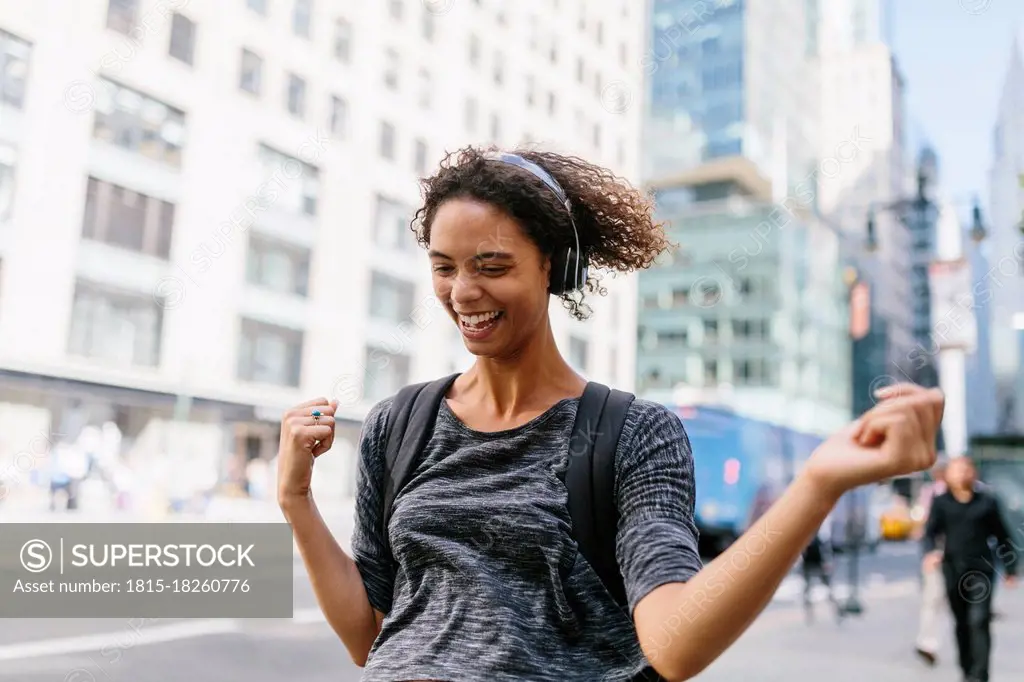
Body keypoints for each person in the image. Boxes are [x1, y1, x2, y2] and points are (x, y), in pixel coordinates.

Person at [276, 146, 946, 681]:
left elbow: (675, 646)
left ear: (556, 268)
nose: (463, 291)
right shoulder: (401, 423)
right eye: (444, 266)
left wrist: (817, 484)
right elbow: (370, 636)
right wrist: (297, 500)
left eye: (492, 265)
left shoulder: (633, 435)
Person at [922, 456, 1018, 682]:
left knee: (979, 620)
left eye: (966, 469)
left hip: (981, 571)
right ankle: (966, 670)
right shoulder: (942, 502)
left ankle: (980, 675)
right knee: (962, 622)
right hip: (952, 569)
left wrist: (1011, 569)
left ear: (973, 473)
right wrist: (931, 553)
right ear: (947, 475)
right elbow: (930, 533)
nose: (962, 474)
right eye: (956, 470)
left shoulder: (986, 502)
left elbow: (1002, 536)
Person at [913, 457, 949, 665]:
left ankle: (930, 641)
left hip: (958, 552)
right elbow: (925, 525)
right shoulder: (932, 492)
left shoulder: (963, 491)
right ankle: (928, 642)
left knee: (938, 599)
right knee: (934, 597)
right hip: (937, 551)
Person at [800, 521, 841, 624]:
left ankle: (835, 612)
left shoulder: (817, 539)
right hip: (811, 567)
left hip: (816, 566)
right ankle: (810, 616)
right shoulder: (811, 539)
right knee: (809, 592)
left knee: (824, 591)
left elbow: (826, 552)